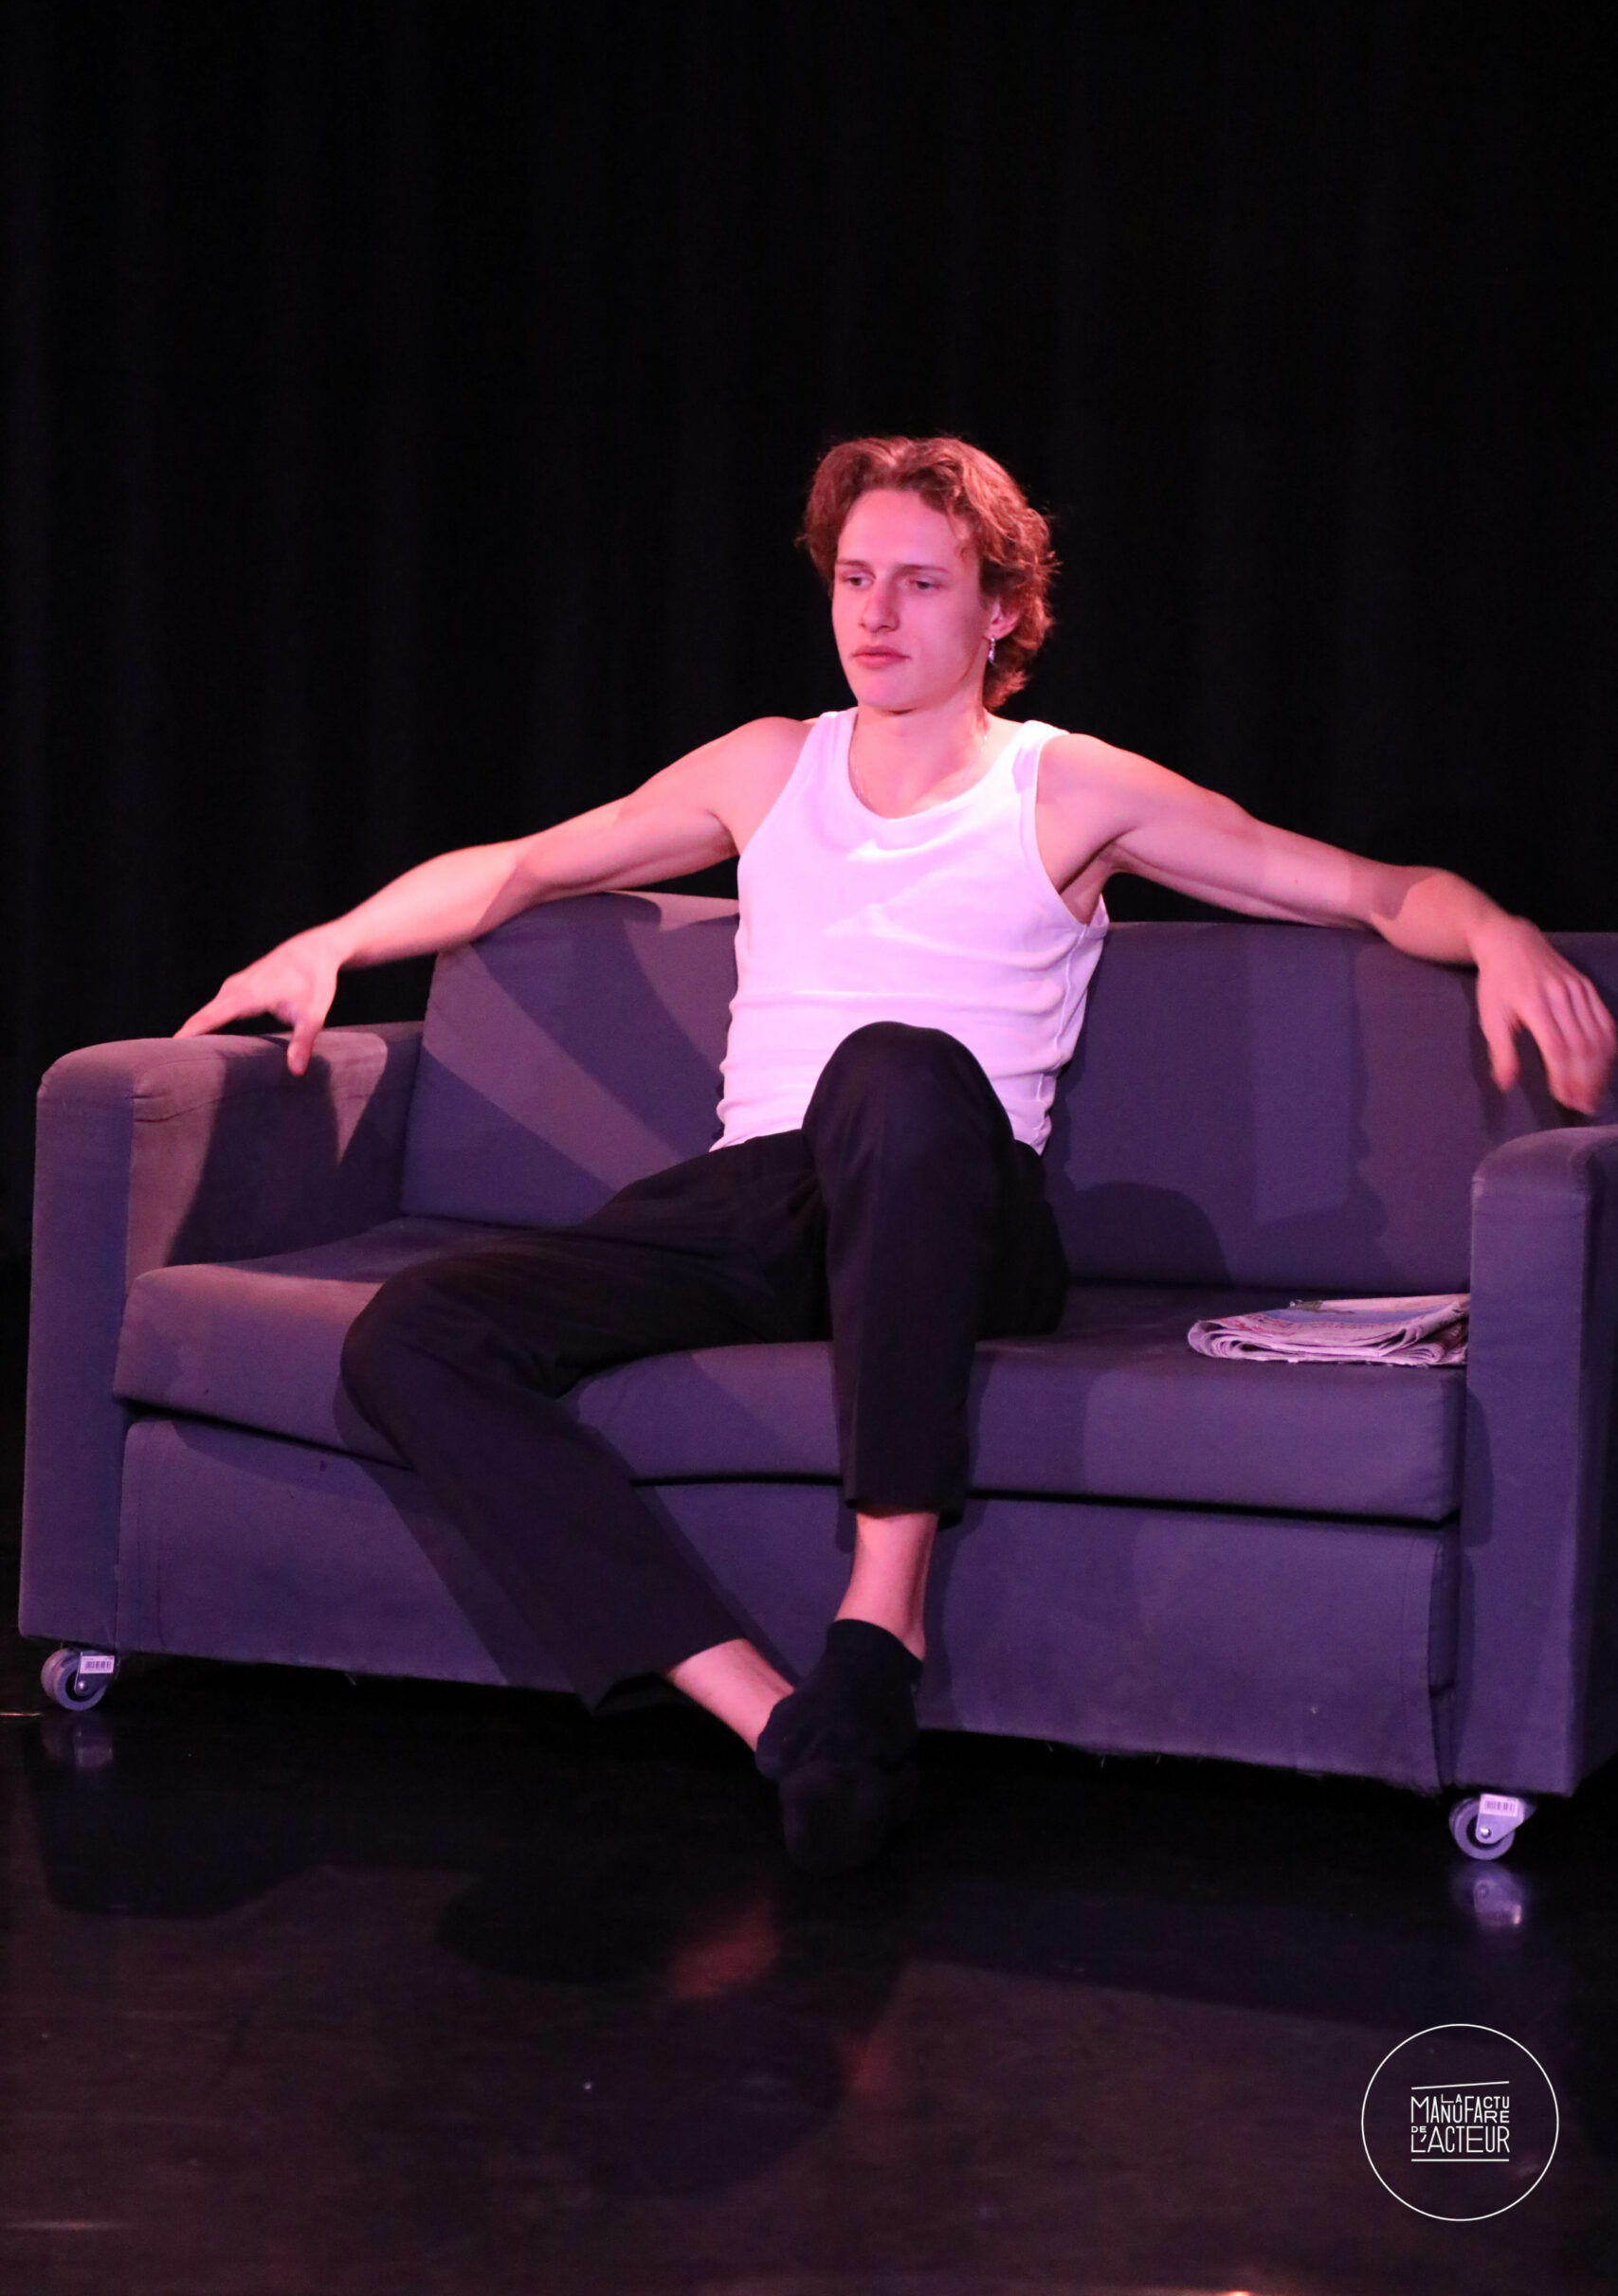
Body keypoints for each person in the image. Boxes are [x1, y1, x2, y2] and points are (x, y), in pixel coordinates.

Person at [180, 435, 1616, 1871]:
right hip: (761, 1205)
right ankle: (779, 1721)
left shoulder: (1066, 788)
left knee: (893, 1066)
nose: (875, 613)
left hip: (959, 1211)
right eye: (854, 578)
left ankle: (881, 1622)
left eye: (920, 584)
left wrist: (1495, 931)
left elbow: (1368, 890)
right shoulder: (770, 766)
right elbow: (524, 866)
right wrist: (333, 944)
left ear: (1001, 612)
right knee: (413, 1335)